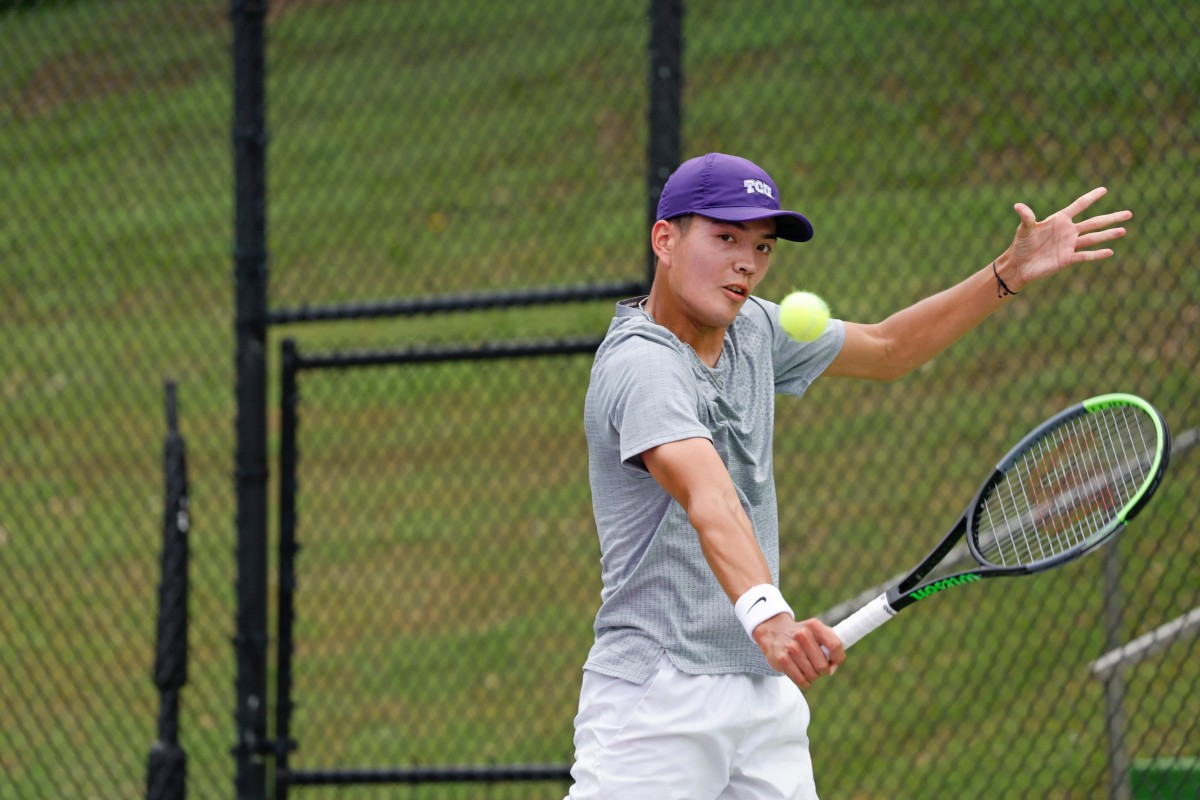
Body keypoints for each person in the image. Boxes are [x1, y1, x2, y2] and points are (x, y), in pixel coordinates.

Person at [565, 152, 1131, 799]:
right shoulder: (642, 368)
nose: (747, 262)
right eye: (725, 238)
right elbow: (709, 496)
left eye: (763, 246)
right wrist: (771, 619)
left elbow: (889, 349)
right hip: (660, 691)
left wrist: (1007, 273)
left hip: (758, 690)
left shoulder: (753, 329)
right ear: (665, 239)